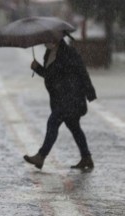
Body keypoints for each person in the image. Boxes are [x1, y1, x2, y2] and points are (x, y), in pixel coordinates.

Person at [23, 38, 97, 170]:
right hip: (61, 98)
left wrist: (89, 92)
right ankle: (86, 157)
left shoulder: (68, 52)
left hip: (71, 97)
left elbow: (81, 71)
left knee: (53, 122)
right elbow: (50, 75)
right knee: (74, 127)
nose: (45, 41)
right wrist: (38, 68)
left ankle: (41, 156)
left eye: (48, 37)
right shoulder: (49, 52)